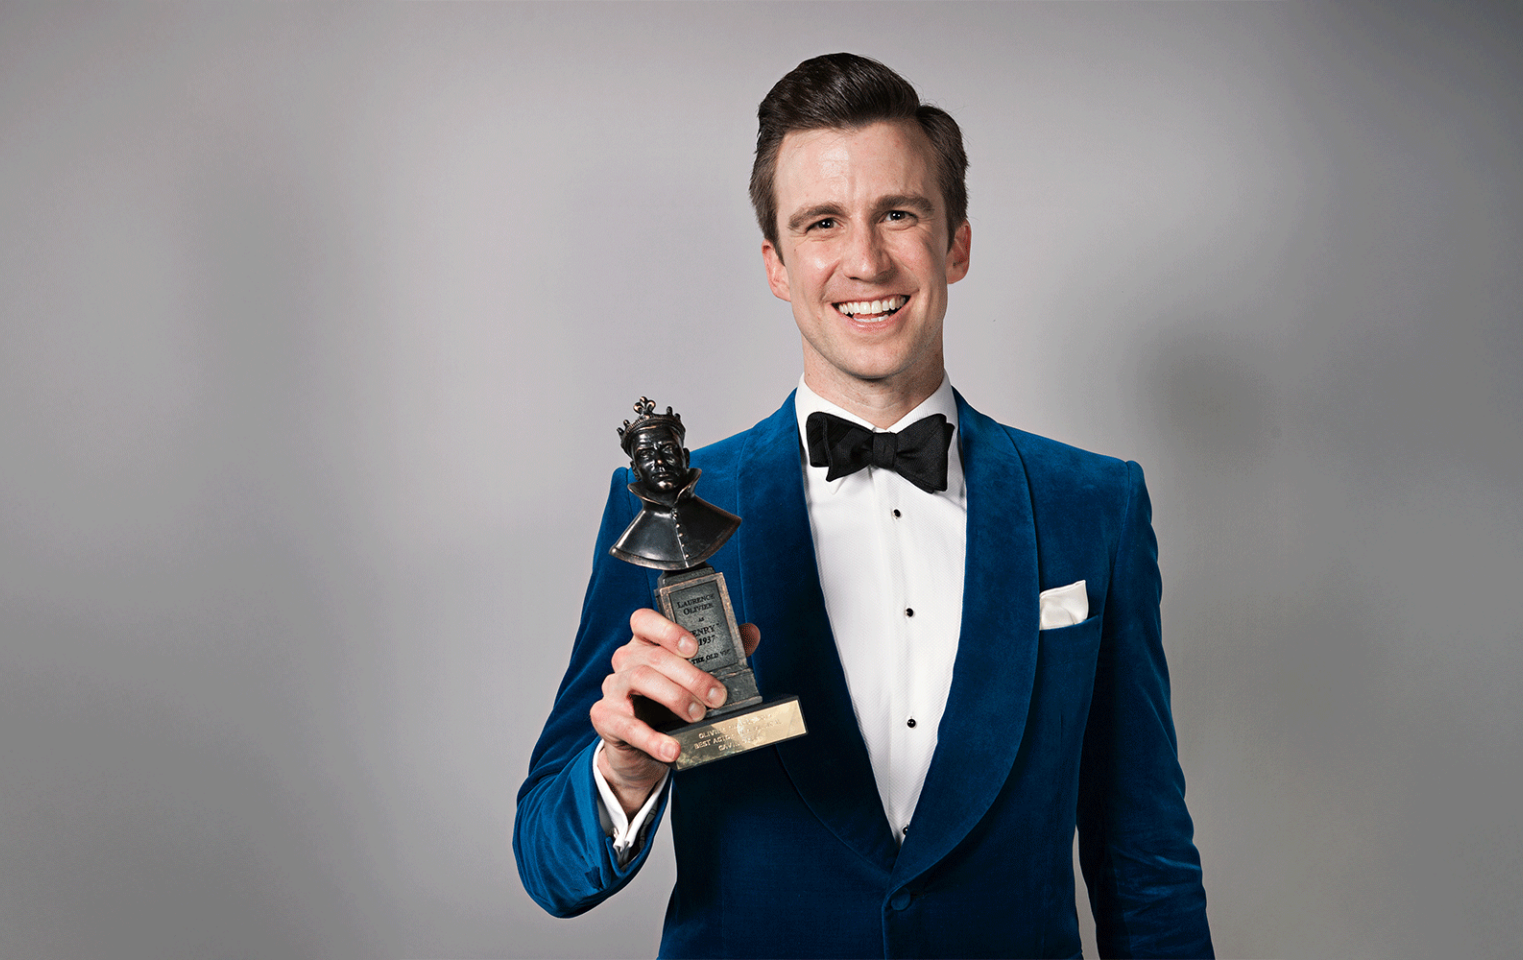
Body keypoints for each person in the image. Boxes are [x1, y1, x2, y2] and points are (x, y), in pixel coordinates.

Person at [514, 52, 1213, 959]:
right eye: (821, 223)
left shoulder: (1095, 506)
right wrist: (627, 767)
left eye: (899, 213)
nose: (866, 260)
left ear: (956, 242)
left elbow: (1142, 857)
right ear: (776, 264)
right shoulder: (670, 513)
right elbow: (548, 864)